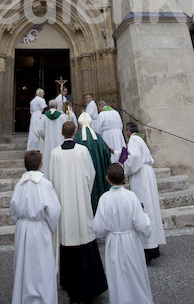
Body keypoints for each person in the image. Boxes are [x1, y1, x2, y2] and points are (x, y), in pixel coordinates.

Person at [50, 121, 107, 303]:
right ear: (75, 132)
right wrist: (83, 193)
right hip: (81, 204)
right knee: (84, 236)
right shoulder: (83, 151)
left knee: (67, 238)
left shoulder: (54, 154)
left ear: (61, 132)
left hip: (63, 205)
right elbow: (91, 175)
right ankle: (90, 283)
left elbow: (50, 180)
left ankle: (68, 282)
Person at [93, 163, 154, 304]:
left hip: (113, 242)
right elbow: (142, 224)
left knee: (117, 277)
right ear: (124, 177)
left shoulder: (104, 199)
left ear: (107, 179)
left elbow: (98, 228)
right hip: (131, 241)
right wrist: (144, 217)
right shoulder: (131, 197)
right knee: (135, 274)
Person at [9, 150, 61, 304]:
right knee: (42, 266)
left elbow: (12, 209)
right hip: (40, 228)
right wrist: (50, 227)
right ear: (41, 164)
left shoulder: (20, 184)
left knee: (24, 266)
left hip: (23, 228)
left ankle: (23, 297)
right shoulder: (45, 184)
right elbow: (54, 210)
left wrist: (21, 223)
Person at [123, 122, 166, 264]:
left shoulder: (133, 140)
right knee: (150, 207)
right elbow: (130, 155)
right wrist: (117, 154)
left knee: (144, 208)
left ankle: (148, 247)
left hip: (140, 176)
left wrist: (126, 170)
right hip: (146, 173)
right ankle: (154, 242)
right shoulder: (139, 139)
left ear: (128, 131)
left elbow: (134, 157)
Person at [74, 112, 111, 213]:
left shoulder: (77, 139)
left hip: (83, 178)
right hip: (100, 176)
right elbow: (107, 154)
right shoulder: (98, 138)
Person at [36, 100, 68, 180]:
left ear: (49, 106)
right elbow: (67, 127)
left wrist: (45, 136)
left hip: (48, 143)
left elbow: (40, 130)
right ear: (56, 106)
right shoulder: (62, 116)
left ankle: (49, 177)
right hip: (60, 141)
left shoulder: (44, 116)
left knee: (48, 160)